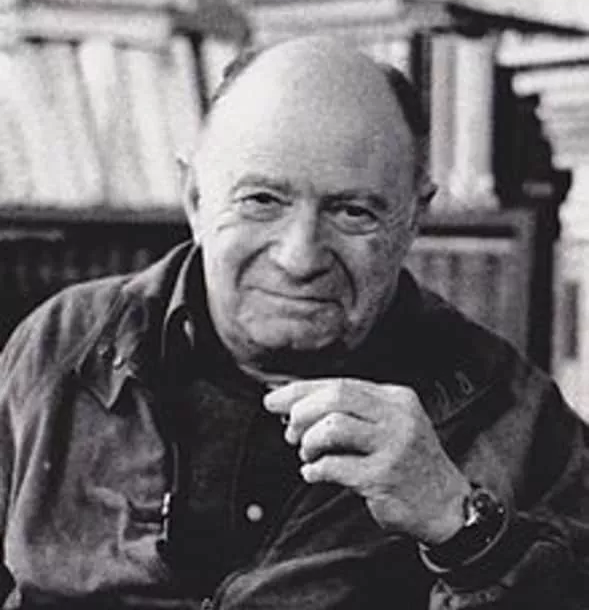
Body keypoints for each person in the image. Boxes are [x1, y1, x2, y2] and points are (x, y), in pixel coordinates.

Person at [0, 36, 587, 610]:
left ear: (414, 219)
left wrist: (458, 524)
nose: (300, 258)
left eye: (353, 211)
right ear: (196, 198)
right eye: (261, 200)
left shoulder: (512, 410)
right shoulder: (61, 344)